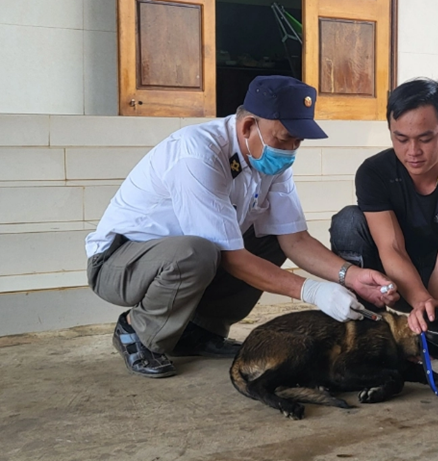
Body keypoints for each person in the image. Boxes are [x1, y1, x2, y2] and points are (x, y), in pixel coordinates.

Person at [86, 76, 398, 379]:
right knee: (198, 252)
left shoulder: (269, 158)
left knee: (269, 238)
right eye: (284, 138)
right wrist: (313, 291)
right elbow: (229, 255)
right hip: (120, 263)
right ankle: (136, 331)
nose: (290, 150)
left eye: (297, 141)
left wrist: (351, 276)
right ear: (249, 126)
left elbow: (295, 238)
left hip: (180, 262)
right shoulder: (198, 153)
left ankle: (198, 331)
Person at [329, 78, 438, 358]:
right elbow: (391, 248)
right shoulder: (374, 173)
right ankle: (368, 325)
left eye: (425, 138)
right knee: (349, 221)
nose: (413, 152)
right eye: (401, 139)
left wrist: (431, 314)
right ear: (390, 132)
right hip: (393, 280)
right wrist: (419, 299)